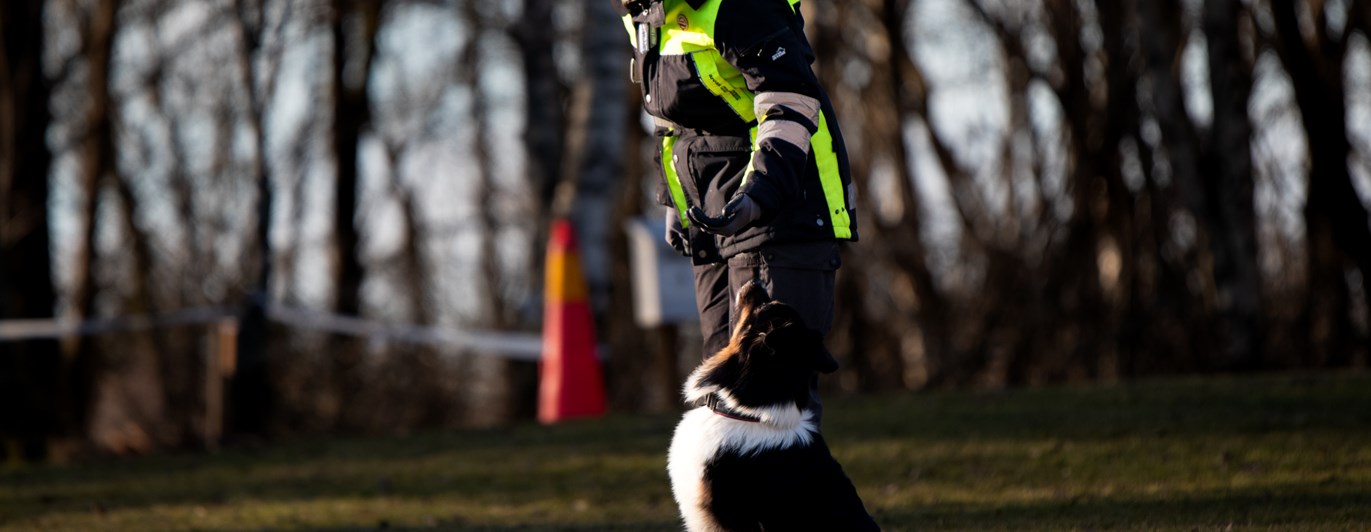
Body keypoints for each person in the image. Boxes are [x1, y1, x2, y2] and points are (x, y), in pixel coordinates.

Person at [620, 0, 857, 422]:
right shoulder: (645, 14)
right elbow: (669, 119)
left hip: (785, 207)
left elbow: (790, 99)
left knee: (773, 406)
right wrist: (673, 199)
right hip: (712, 217)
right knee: (720, 404)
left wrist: (759, 195)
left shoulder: (738, 5)